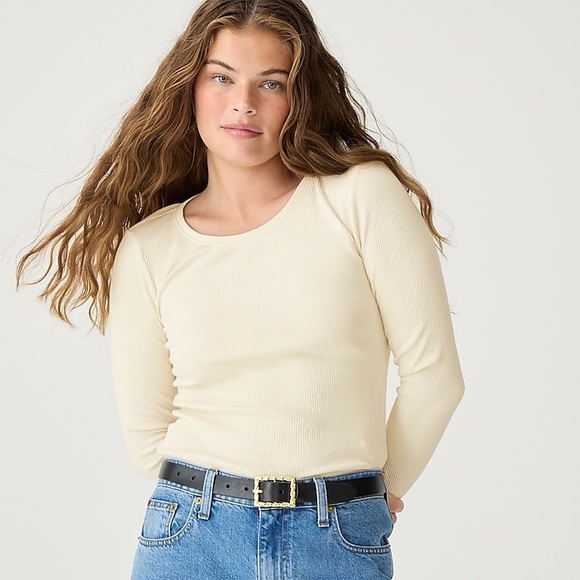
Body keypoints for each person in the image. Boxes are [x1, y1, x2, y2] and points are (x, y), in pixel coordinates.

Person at [17, 0, 465, 578]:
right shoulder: (150, 248)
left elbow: (435, 375)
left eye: (271, 83)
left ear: (300, 98)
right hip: (191, 538)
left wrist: (376, 493)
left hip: (337, 536)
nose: (243, 103)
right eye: (222, 77)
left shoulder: (359, 197)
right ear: (189, 87)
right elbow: (148, 439)